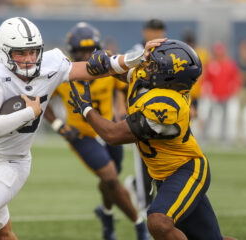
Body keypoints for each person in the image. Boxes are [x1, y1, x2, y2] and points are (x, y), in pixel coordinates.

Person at [0, 17, 165, 239]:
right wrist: (31, 113)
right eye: (20, 53)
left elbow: (100, 67)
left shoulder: (51, 64)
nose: (29, 59)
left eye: (33, 51)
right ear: (4, 52)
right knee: (1, 233)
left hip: (12, 159)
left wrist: (139, 57)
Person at [69, 39, 236, 240]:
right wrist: (106, 58)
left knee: (158, 222)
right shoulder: (155, 81)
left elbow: (112, 135)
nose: (147, 68)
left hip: (186, 171)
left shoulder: (168, 106)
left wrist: (87, 109)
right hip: (165, 175)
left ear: (168, 76)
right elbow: (121, 71)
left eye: (154, 65)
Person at [44, 22, 149, 240]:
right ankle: (140, 225)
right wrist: (58, 125)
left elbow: (122, 89)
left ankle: (107, 216)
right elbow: (41, 102)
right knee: (110, 176)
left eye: (90, 49)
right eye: (81, 51)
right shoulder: (62, 74)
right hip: (82, 134)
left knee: (109, 182)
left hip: (109, 130)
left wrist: (122, 111)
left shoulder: (105, 67)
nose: (86, 55)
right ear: (73, 52)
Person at [125, 18, 166, 215]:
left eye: (159, 30)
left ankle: (137, 187)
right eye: (153, 30)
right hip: (141, 109)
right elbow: (128, 78)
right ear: (145, 32)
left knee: (162, 157)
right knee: (143, 157)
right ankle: (144, 204)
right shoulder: (136, 51)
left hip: (162, 111)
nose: (156, 34)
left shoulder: (169, 51)